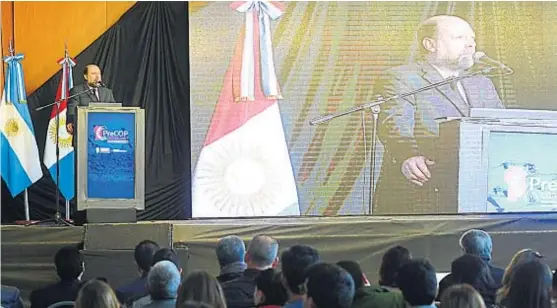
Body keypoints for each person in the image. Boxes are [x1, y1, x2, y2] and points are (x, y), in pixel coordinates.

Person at [372, 15, 505, 214]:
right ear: (430, 44)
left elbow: (501, 127)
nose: (471, 45)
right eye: (460, 38)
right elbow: (395, 123)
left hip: (477, 192)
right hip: (423, 190)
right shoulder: (403, 77)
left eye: (472, 39)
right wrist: (408, 155)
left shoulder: (481, 83)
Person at [66, 64, 116, 135]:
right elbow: (72, 108)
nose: (97, 76)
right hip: (84, 132)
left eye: (99, 74)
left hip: (106, 132)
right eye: (93, 74)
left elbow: (115, 109)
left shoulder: (107, 92)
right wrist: (70, 121)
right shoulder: (77, 91)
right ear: (86, 76)